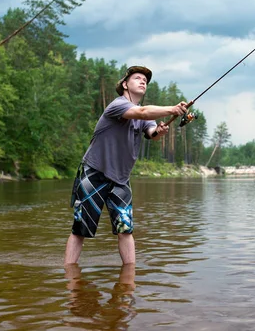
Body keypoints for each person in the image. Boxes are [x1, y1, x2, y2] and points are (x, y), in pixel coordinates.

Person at [64, 65, 187, 265]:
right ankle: (69, 276)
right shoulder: (117, 105)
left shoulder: (141, 115)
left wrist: (159, 132)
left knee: (126, 229)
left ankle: (129, 280)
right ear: (124, 84)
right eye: (137, 78)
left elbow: (151, 132)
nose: (142, 81)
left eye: (145, 81)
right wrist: (172, 109)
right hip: (94, 171)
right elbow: (144, 113)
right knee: (80, 229)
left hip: (121, 179)